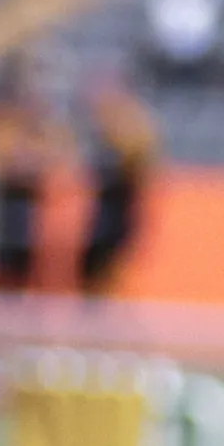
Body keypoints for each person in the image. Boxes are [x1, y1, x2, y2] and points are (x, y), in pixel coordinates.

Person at [0, 64, 57, 298]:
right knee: (2, 268)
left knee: (29, 268)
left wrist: (28, 162)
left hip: (31, 210)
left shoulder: (38, 129)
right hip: (4, 207)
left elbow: (52, 160)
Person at [71, 71, 161, 298]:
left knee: (110, 269)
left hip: (120, 211)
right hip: (101, 212)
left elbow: (139, 164)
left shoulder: (133, 128)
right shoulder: (100, 131)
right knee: (90, 270)